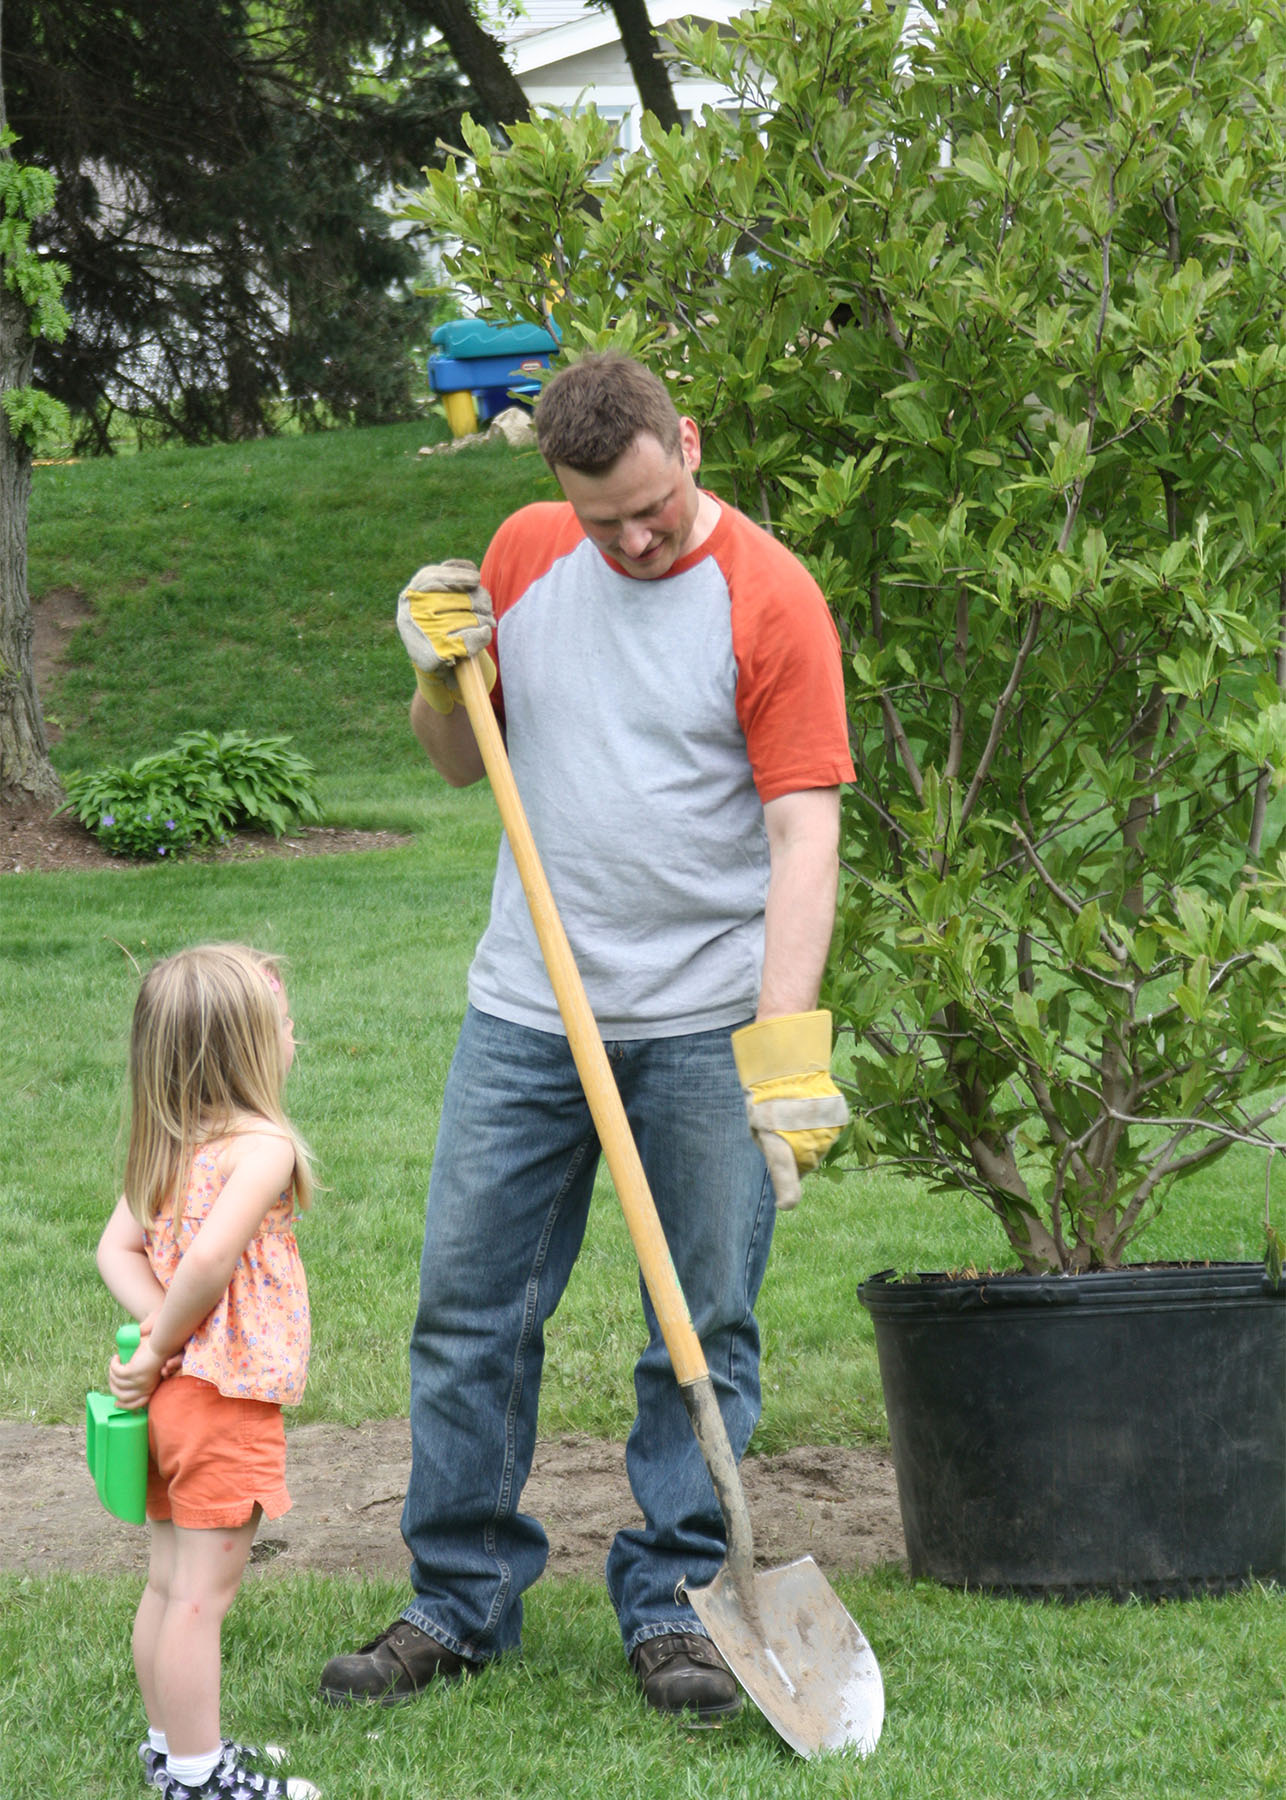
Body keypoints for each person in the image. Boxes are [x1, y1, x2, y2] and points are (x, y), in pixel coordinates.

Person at [320, 351, 854, 1724]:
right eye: (601, 516)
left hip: (700, 1018)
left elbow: (803, 837)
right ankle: (455, 1601)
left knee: (701, 1321)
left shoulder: (768, 596)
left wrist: (783, 1049)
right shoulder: (523, 554)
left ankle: (678, 1598)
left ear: (690, 443)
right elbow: (461, 760)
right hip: (528, 1009)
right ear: (558, 487)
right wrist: (437, 678)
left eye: (652, 509)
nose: (632, 540)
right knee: (468, 1309)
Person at [96, 944, 319, 1800]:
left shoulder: (171, 1145)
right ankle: (198, 1778)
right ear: (248, 1048)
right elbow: (211, 1262)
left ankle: (171, 1748)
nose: (294, 1034)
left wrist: (160, 1344)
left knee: (167, 1584)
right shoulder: (263, 1146)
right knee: (201, 1598)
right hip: (225, 1402)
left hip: (174, 1402)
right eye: (283, 1022)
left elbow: (114, 1250)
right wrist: (164, 1343)